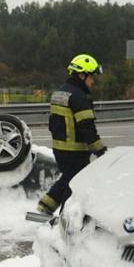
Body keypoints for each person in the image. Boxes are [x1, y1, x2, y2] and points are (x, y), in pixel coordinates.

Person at [37, 54, 107, 215]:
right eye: (91, 77)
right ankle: (63, 217)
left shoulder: (59, 93)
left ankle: (45, 207)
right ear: (82, 75)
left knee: (67, 179)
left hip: (60, 149)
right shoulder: (80, 97)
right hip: (75, 151)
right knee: (75, 184)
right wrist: (100, 150)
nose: (93, 81)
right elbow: (87, 127)